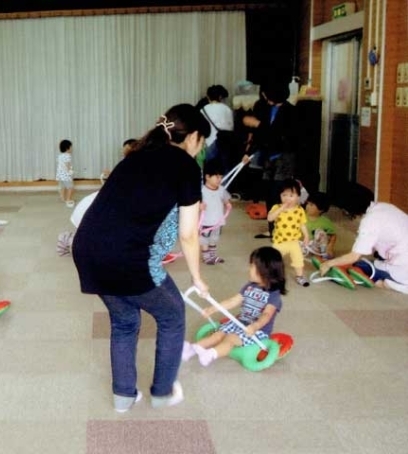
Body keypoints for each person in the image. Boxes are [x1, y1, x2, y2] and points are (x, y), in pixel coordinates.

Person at [72, 104, 210, 412]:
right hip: (126, 259)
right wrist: (198, 278)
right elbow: (189, 234)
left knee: (123, 322)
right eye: (202, 142)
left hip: (86, 250)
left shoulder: (134, 156)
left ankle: (123, 397)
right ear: (194, 137)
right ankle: (162, 392)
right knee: (172, 316)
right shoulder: (187, 167)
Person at [182, 246, 286, 366]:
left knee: (230, 339)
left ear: (264, 271)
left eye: (252, 266)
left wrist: (255, 326)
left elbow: (267, 315)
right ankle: (191, 349)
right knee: (218, 334)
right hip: (240, 322)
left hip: (257, 330)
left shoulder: (274, 295)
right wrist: (213, 309)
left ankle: (211, 354)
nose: (249, 268)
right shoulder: (250, 286)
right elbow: (233, 301)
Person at [319, 184, 408, 293]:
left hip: (403, 266)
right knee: (364, 263)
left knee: (358, 265)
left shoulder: (369, 221)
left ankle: (387, 282)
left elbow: (354, 256)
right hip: (401, 258)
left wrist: (329, 264)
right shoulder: (383, 207)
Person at [243, 82, 299, 238]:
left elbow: (282, 135)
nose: (265, 99)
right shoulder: (266, 110)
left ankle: (284, 228)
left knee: (281, 192)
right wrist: (249, 152)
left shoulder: (292, 112)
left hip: (285, 157)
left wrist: (258, 124)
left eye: (267, 96)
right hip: (268, 156)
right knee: (269, 192)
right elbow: (259, 135)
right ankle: (272, 228)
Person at [267, 179, 310, 286]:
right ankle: (271, 276)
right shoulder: (276, 207)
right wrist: (280, 209)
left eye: (291, 195)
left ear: (298, 197)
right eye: (284, 195)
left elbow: (302, 224)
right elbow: (270, 218)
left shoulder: (299, 210)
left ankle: (300, 276)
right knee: (274, 260)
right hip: (279, 241)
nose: (287, 198)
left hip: (294, 241)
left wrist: (306, 236)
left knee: (298, 260)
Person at [200, 159, 232, 265]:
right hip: (205, 222)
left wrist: (227, 203)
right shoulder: (201, 191)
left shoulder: (221, 190)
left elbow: (225, 199)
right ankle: (206, 257)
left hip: (218, 221)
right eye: (217, 177)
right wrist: (200, 206)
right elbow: (195, 204)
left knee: (214, 239)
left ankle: (213, 256)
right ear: (207, 177)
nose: (220, 180)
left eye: (221, 177)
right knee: (204, 240)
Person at [200, 85, 235, 170]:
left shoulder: (203, 110)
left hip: (209, 143)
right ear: (220, 97)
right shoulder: (227, 109)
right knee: (224, 168)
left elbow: (201, 128)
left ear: (208, 96)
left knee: (209, 169)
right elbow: (231, 127)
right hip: (225, 143)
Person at [304, 191, 336, 259]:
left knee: (320, 233)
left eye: (311, 205)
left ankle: (323, 254)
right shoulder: (301, 216)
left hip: (316, 246)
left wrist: (330, 246)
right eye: (307, 203)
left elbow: (333, 235)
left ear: (321, 209)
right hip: (304, 243)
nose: (307, 206)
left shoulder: (325, 222)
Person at [56, 139, 74, 207]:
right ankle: (68, 199)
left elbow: (60, 165)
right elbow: (67, 165)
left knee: (62, 187)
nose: (72, 148)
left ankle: (63, 198)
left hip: (60, 175)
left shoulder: (60, 156)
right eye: (71, 147)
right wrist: (71, 172)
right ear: (67, 148)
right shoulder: (68, 156)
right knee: (70, 187)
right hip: (66, 175)